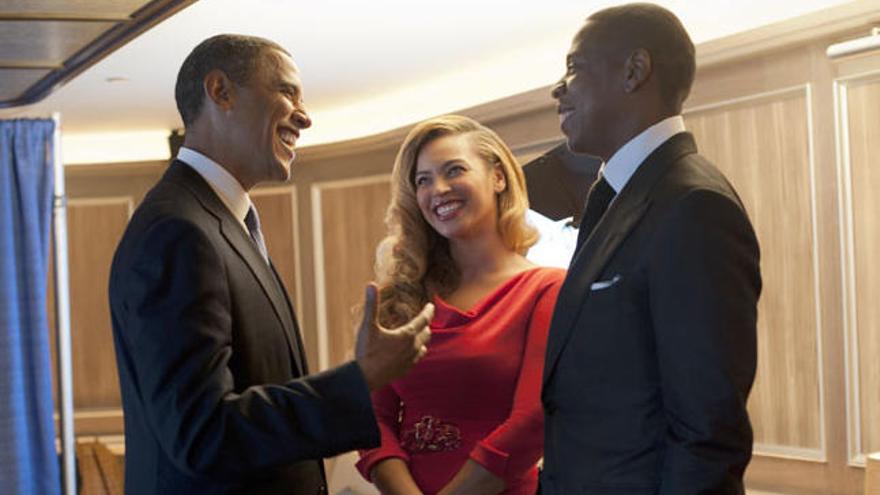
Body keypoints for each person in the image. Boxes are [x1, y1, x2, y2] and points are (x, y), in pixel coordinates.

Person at [108, 34, 433, 495]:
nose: (304, 116)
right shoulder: (177, 231)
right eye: (287, 92)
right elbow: (203, 435)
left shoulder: (219, 222)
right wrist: (359, 380)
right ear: (220, 91)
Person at [541, 4, 762, 494]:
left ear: (634, 71)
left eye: (574, 67)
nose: (558, 88)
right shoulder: (621, 198)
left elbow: (707, 433)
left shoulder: (693, 206)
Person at [356, 115, 565, 494]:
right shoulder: (401, 296)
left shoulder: (545, 288)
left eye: (454, 170)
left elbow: (533, 420)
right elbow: (371, 416)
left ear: (498, 177)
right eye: (423, 180)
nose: (438, 189)